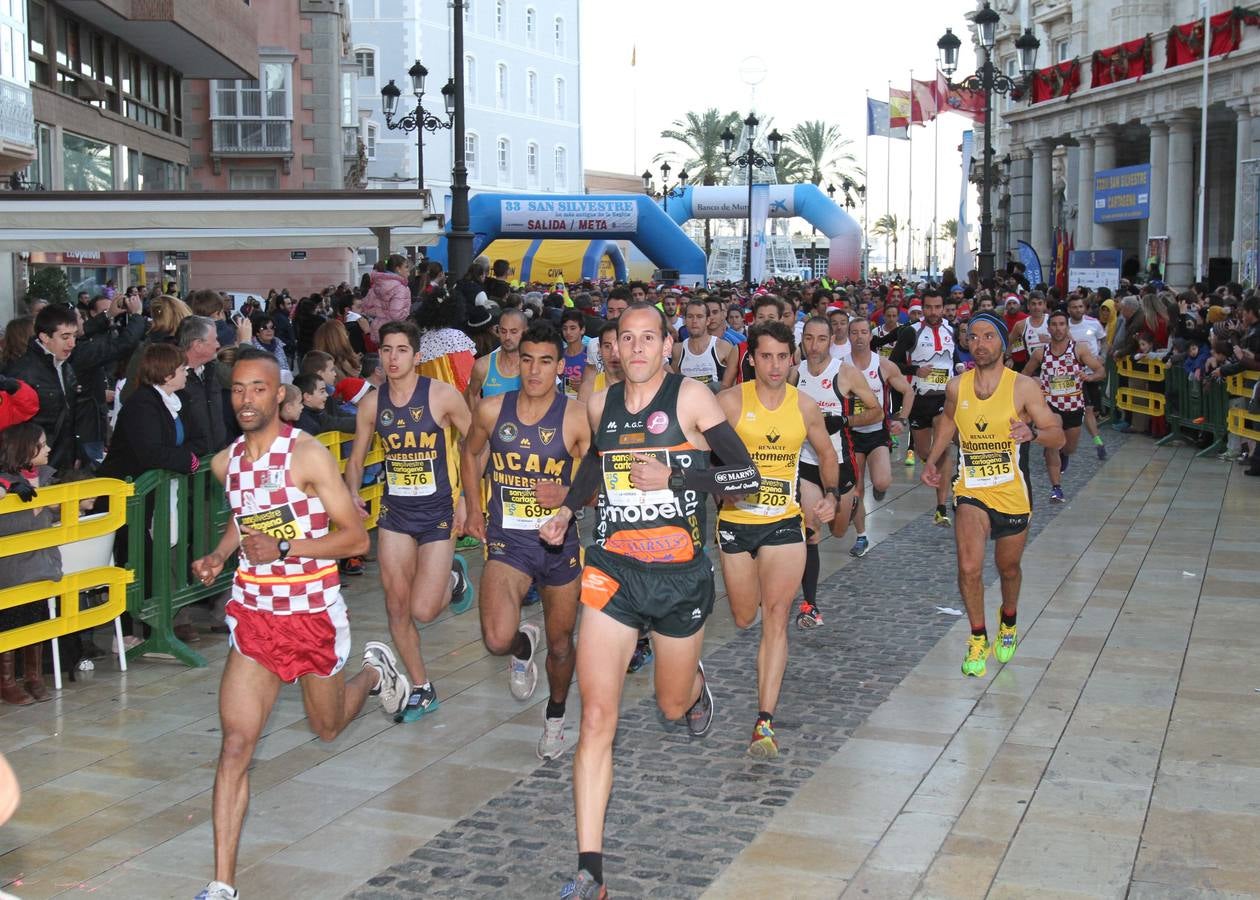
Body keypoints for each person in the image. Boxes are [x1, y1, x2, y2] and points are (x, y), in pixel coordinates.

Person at [539, 303, 760, 898]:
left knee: (668, 704)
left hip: (679, 578)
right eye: (626, 339)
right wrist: (566, 509)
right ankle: (590, 870)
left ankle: (692, 687)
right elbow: (594, 465)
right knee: (596, 718)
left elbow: (747, 479)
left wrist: (676, 478)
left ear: (667, 346)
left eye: (648, 339)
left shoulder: (691, 399)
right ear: (614, 348)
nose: (636, 349)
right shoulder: (599, 402)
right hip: (611, 573)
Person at [190, 350, 409, 900]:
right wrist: (220, 556)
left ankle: (375, 677)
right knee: (237, 745)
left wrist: (286, 546)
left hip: (312, 613)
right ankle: (221, 884)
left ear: (278, 395)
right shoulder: (225, 464)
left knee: (328, 727)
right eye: (238, 389)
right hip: (255, 615)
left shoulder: (307, 455)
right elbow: (247, 522)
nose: (246, 400)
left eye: (257, 389)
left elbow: (356, 538)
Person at [460, 322, 589, 760]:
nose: (534, 370)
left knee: (560, 642)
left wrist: (568, 497)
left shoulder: (574, 415)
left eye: (546, 361)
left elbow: (596, 478)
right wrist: (473, 505)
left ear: (560, 366)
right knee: (496, 639)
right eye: (528, 359)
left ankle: (555, 718)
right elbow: (470, 451)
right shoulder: (493, 410)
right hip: (507, 540)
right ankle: (519, 645)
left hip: (559, 543)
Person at [716, 321, 841, 757]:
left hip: (784, 521)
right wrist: (720, 484)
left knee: (776, 614)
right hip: (736, 521)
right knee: (744, 615)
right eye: (765, 356)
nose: (774, 365)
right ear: (752, 358)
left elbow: (827, 454)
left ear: (793, 360)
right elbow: (699, 455)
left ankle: (763, 722)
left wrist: (830, 495)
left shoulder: (804, 406)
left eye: (782, 357)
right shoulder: (729, 402)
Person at [343, 321, 474, 721]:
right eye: (386, 350)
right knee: (397, 607)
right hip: (395, 514)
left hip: (438, 513)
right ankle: (421, 687)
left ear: (417, 357)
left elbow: (475, 445)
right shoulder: (371, 404)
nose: (393, 358)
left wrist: (469, 498)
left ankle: (453, 578)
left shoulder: (442, 397)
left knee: (424, 611)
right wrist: (350, 492)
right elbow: (356, 456)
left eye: (402, 350)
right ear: (379, 356)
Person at [921, 312, 1064, 678]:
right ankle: (978, 635)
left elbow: (1056, 434)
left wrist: (1034, 434)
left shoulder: (1023, 387)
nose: (980, 344)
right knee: (969, 566)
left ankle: (1009, 619)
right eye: (973, 337)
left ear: (1002, 343)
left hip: (1012, 491)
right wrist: (934, 460)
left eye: (988, 336)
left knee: (1008, 567)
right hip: (971, 488)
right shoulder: (957, 386)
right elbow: (949, 421)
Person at [791, 317, 884, 626]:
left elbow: (877, 410)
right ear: (801, 340)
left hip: (841, 461)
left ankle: (852, 502)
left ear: (830, 340)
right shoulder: (795, 374)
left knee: (840, 530)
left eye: (820, 339)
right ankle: (810, 604)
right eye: (808, 338)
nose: (813, 345)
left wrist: (844, 422)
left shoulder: (845, 374)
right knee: (811, 528)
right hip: (806, 462)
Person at [843, 316, 913, 557]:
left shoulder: (882, 365)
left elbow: (908, 391)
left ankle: (880, 489)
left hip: (877, 432)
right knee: (856, 490)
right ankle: (861, 536)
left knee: (882, 481)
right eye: (855, 332)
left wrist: (901, 418)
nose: (859, 336)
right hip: (850, 435)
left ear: (871, 336)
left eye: (864, 332)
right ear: (848, 336)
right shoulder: (840, 366)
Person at [0, 423, 58, 705]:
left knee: (36, 615)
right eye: (42, 444)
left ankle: (34, 676)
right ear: (25, 448)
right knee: (10, 620)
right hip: (11, 567)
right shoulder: (4, 481)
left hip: (41, 562)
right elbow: (9, 525)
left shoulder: (48, 477)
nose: (48, 449)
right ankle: (7, 680)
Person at [890, 292, 959, 525]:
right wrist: (914, 371)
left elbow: (956, 357)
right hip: (919, 400)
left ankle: (942, 506)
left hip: (945, 398)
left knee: (943, 447)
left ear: (944, 307)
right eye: (928, 307)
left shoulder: (952, 329)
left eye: (937, 307)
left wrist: (961, 367)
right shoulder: (911, 331)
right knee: (925, 453)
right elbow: (893, 363)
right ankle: (950, 479)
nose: (933, 312)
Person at [1023, 309, 1106, 502]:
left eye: (1062, 324)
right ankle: (1056, 488)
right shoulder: (1040, 353)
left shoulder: (1079, 349)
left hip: (1074, 405)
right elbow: (1023, 375)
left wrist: (1089, 376)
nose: (1058, 328)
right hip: (1050, 406)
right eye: (1054, 324)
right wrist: (1034, 384)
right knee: (1052, 445)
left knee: (1068, 447)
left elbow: (1100, 370)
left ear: (1067, 327)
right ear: (1049, 328)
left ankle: (1063, 453)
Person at [1066, 295, 1109, 459]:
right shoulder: (1064, 325)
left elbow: (1103, 340)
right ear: (1069, 309)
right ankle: (1098, 443)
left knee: (1092, 409)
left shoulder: (1093, 323)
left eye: (1080, 307)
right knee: (1087, 408)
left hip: (1093, 372)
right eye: (1074, 307)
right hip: (1074, 375)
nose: (1077, 310)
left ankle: (1095, 440)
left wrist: (1102, 356)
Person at [670, 298, 735, 391]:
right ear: (684, 320)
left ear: (708, 320)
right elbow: (673, 385)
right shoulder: (678, 350)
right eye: (690, 316)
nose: (694, 321)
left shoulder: (723, 347)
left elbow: (736, 382)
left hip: (716, 403)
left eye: (699, 316)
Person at [467, 308, 527, 405]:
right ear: (498, 330)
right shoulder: (482, 366)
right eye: (503, 331)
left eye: (513, 332)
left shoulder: (537, 366)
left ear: (525, 332)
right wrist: (478, 418)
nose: (507, 337)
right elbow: (472, 394)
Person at [362, 253, 413, 345]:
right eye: (406, 267)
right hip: (394, 332)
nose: (408, 270)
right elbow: (397, 315)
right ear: (398, 269)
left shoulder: (378, 284)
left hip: (377, 330)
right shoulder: (401, 288)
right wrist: (407, 313)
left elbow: (365, 307)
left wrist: (380, 313)